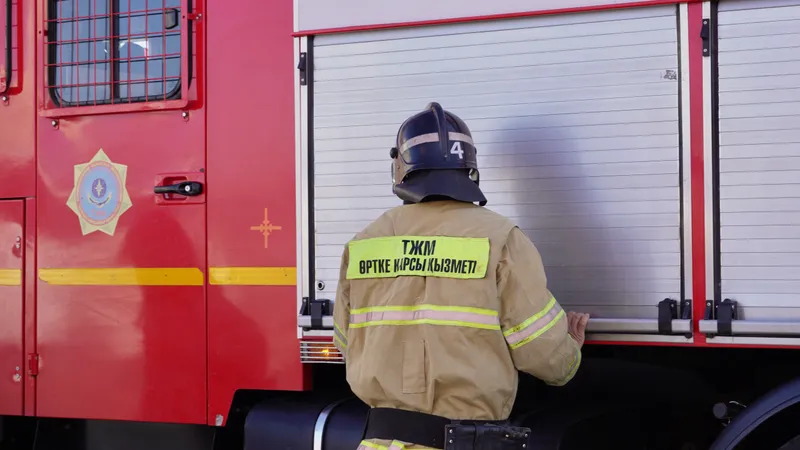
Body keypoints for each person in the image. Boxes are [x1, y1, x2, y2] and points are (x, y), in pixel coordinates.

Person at [331, 102, 590, 450]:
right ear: (469, 167)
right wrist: (568, 354)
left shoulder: (364, 243)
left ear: (400, 167)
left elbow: (346, 343)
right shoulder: (500, 239)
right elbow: (543, 355)